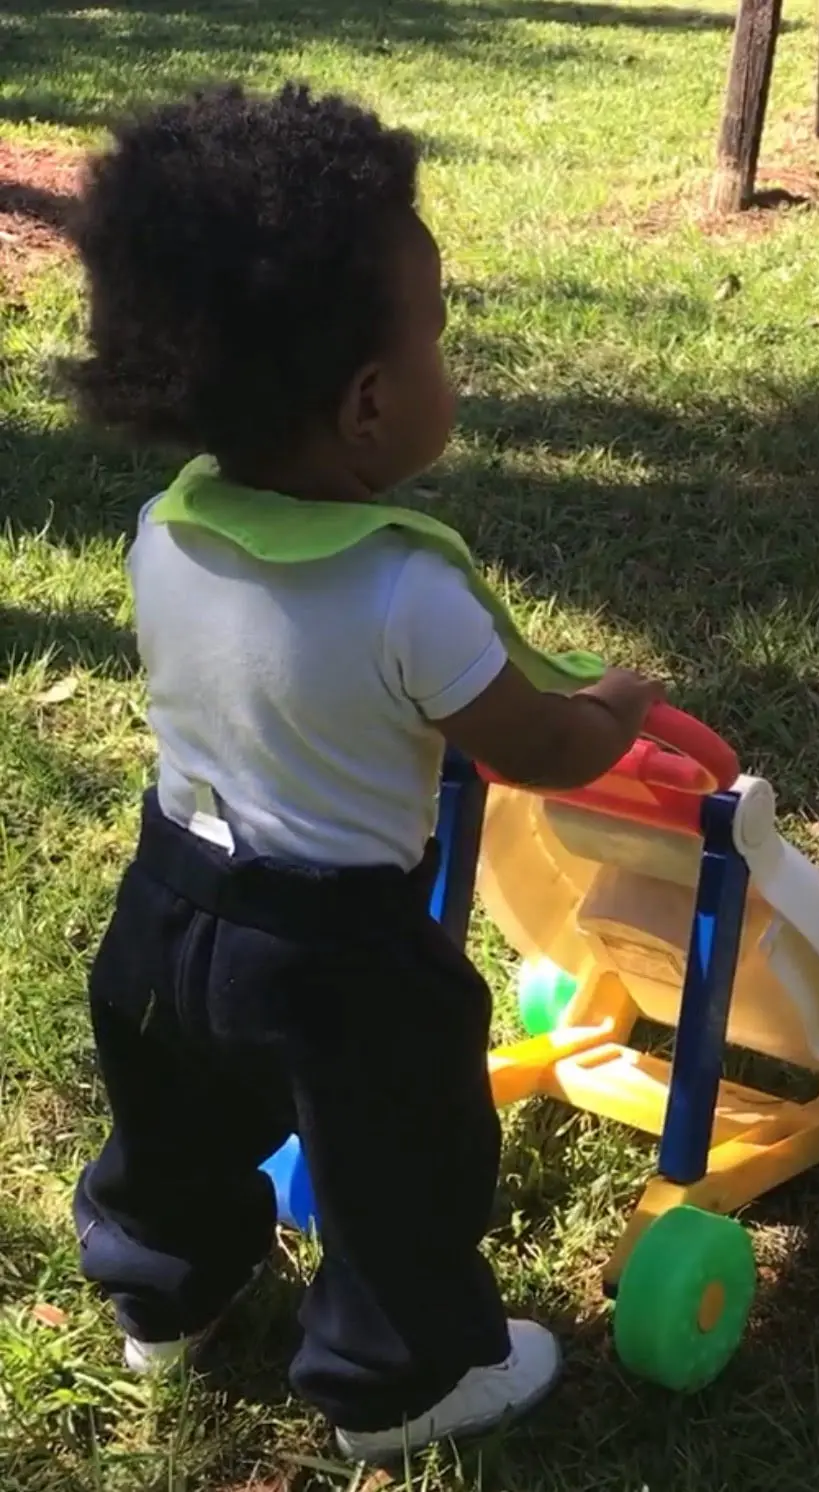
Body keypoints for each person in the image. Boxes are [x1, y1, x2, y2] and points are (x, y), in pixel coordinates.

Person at [68, 83, 665, 1462]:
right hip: (336, 952)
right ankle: (402, 1382)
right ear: (371, 403)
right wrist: (614, 708)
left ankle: (166, 1297)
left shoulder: (168, 529)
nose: (450, 366)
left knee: (171, 1126)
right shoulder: (408, 592)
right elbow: (534, 746)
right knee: (401, 1156)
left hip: (163, 909)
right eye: (441, 337)